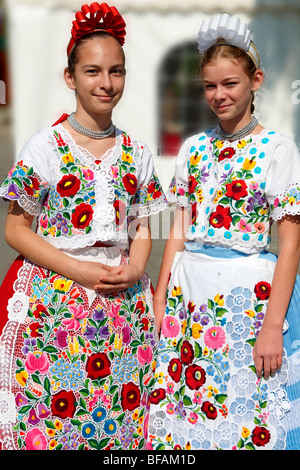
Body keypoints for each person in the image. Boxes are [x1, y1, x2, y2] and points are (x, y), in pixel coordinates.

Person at [0, 2, 166, 450]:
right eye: (93, 71)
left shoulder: (136, 153)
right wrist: (80, 272)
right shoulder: (45, 148)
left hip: (122, 310)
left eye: (117, 71)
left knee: (116, 421)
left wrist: (134, 269)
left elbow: (142, 228)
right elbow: (16, 231)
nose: (106, 83)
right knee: (53, 423)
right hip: (53, 311)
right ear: (70, 77)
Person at [147, 13, 300, 451]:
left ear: (256, 80)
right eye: (210, 86)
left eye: (230, 83)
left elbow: (290, 244)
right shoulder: (193, 148)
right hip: (187, 297)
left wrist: (273, 325)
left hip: (246, 298)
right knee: (189, 413)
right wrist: (161, 297)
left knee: (245, 414)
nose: (219, 95)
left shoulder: (278, 149)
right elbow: (179, 224)